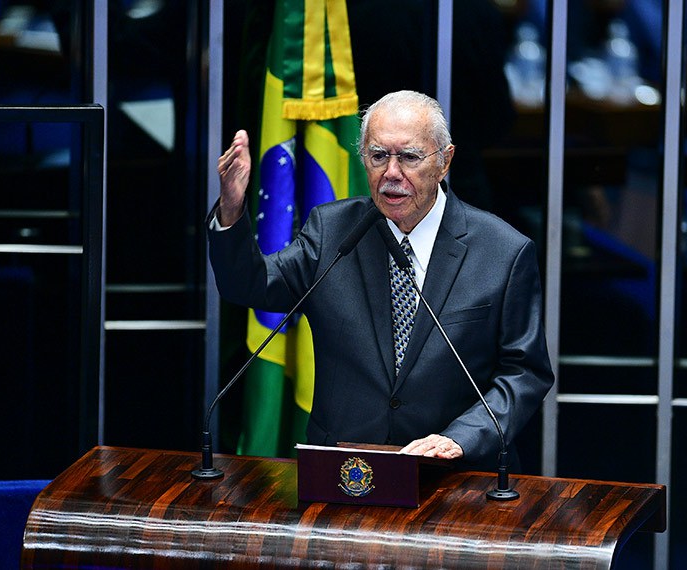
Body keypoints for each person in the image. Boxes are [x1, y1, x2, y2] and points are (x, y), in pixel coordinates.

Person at [208, 90, 553, 471]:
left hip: (456, 477)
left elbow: (525, 371)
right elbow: (249, 285)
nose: (391, 173)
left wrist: (461, 438)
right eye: (378, 156)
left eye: (408, 157)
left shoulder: (502, 251)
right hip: (345, 474)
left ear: (445, 161)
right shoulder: (332, 231)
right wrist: (231, 208)